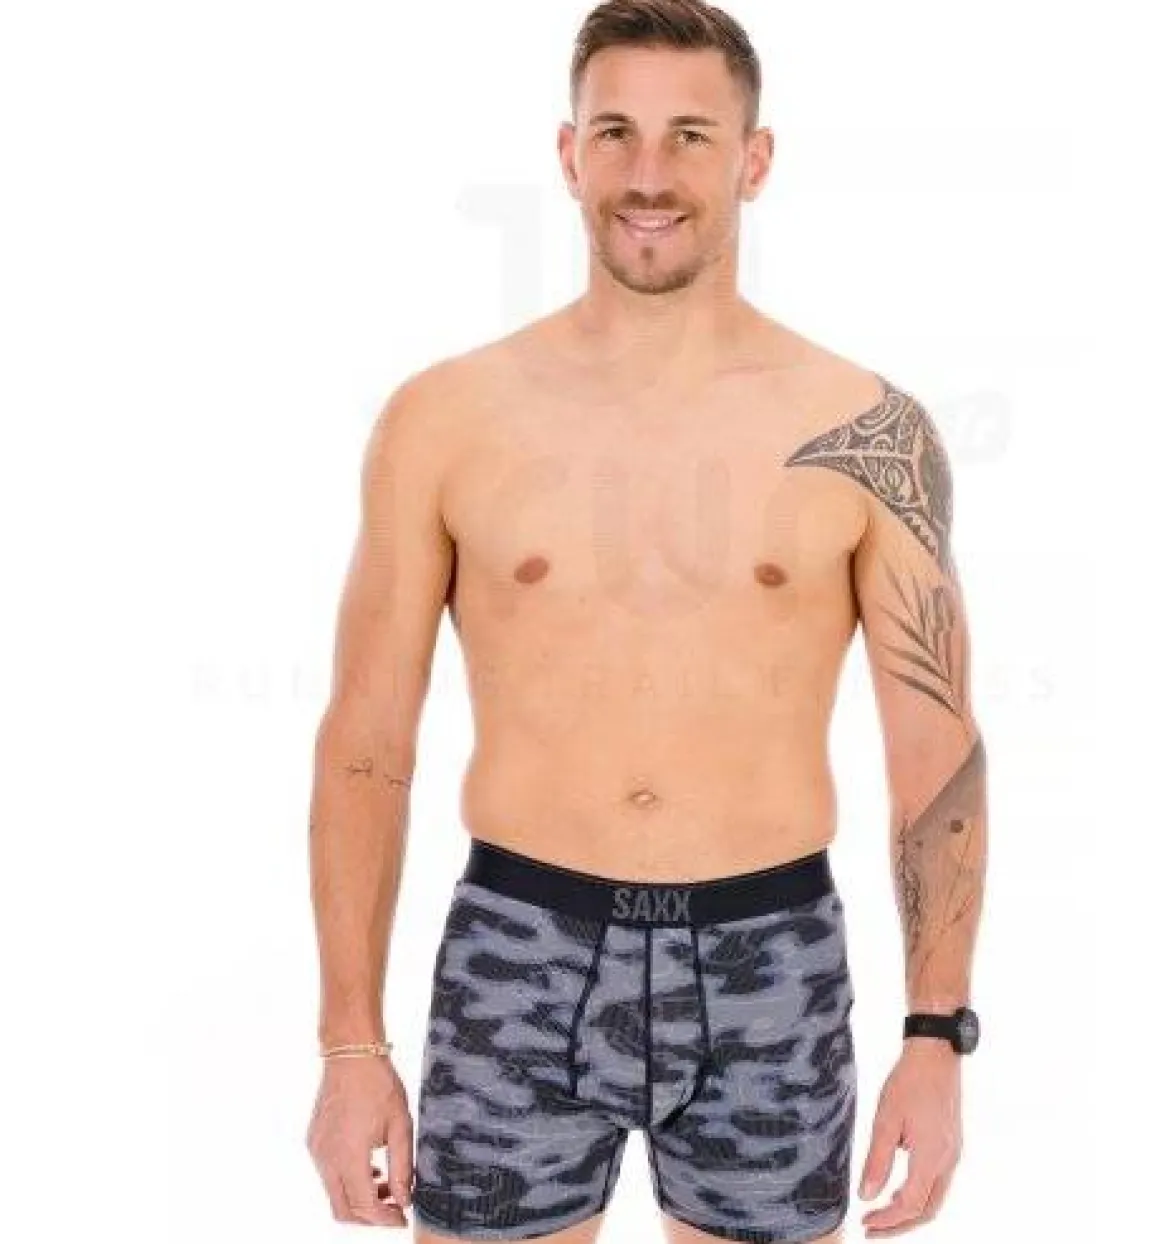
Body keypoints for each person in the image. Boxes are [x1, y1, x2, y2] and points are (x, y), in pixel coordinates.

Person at [304, 2, 988, 1240]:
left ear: (754, 159)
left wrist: (934, 1035)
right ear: (569, 155)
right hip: (519, 945)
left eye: (690, 135)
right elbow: (365, 740)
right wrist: (350, 1042)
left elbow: (935, 755)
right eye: (615, 132)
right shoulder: (446, 419)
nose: (649, 174)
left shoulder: (868, 433)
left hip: (768, 959)